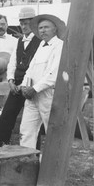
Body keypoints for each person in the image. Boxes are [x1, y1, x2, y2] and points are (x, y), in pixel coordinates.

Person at [0, 7, 42, 146]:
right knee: (6, 117)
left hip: (31, 87)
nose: (23, 26)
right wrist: (10, 80)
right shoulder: (19, 41)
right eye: (21, 23)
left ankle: (33, 153)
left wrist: (25, 86)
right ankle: (1, 148)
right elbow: (12, 63)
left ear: (33, 23)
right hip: (16, 86)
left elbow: (35, 67)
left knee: (32, 122)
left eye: (27, 23)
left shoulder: (40, 42)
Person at [19, 14, 65, 149]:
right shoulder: (40, 45)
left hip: (47, 95)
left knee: (51, 130)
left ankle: (52, 165)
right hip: (31, 95)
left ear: (55, 29)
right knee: (26, 131)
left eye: (46, 27)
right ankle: (27, 162)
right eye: (40, 28)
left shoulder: (60, 45)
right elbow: (30, 69)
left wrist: (35, 88)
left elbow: (54, 73)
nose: (43, 30)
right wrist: (25, 86)